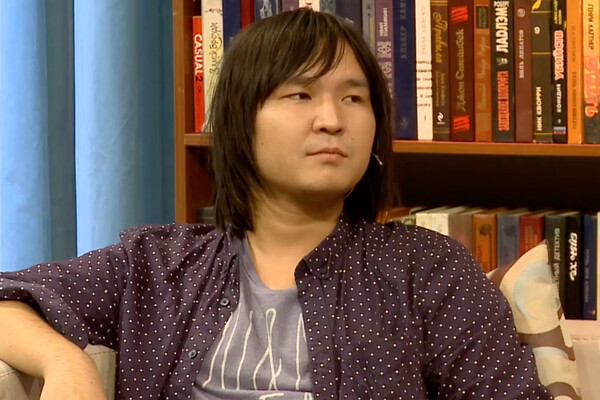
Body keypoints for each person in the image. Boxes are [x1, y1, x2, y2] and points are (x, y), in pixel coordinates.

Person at [0, 8, 552, 400]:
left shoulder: (427, 271)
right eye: (300, 94)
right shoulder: (156, 265)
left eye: (353, 97)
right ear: (242, 123)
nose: (331, 119)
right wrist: (64, 363)